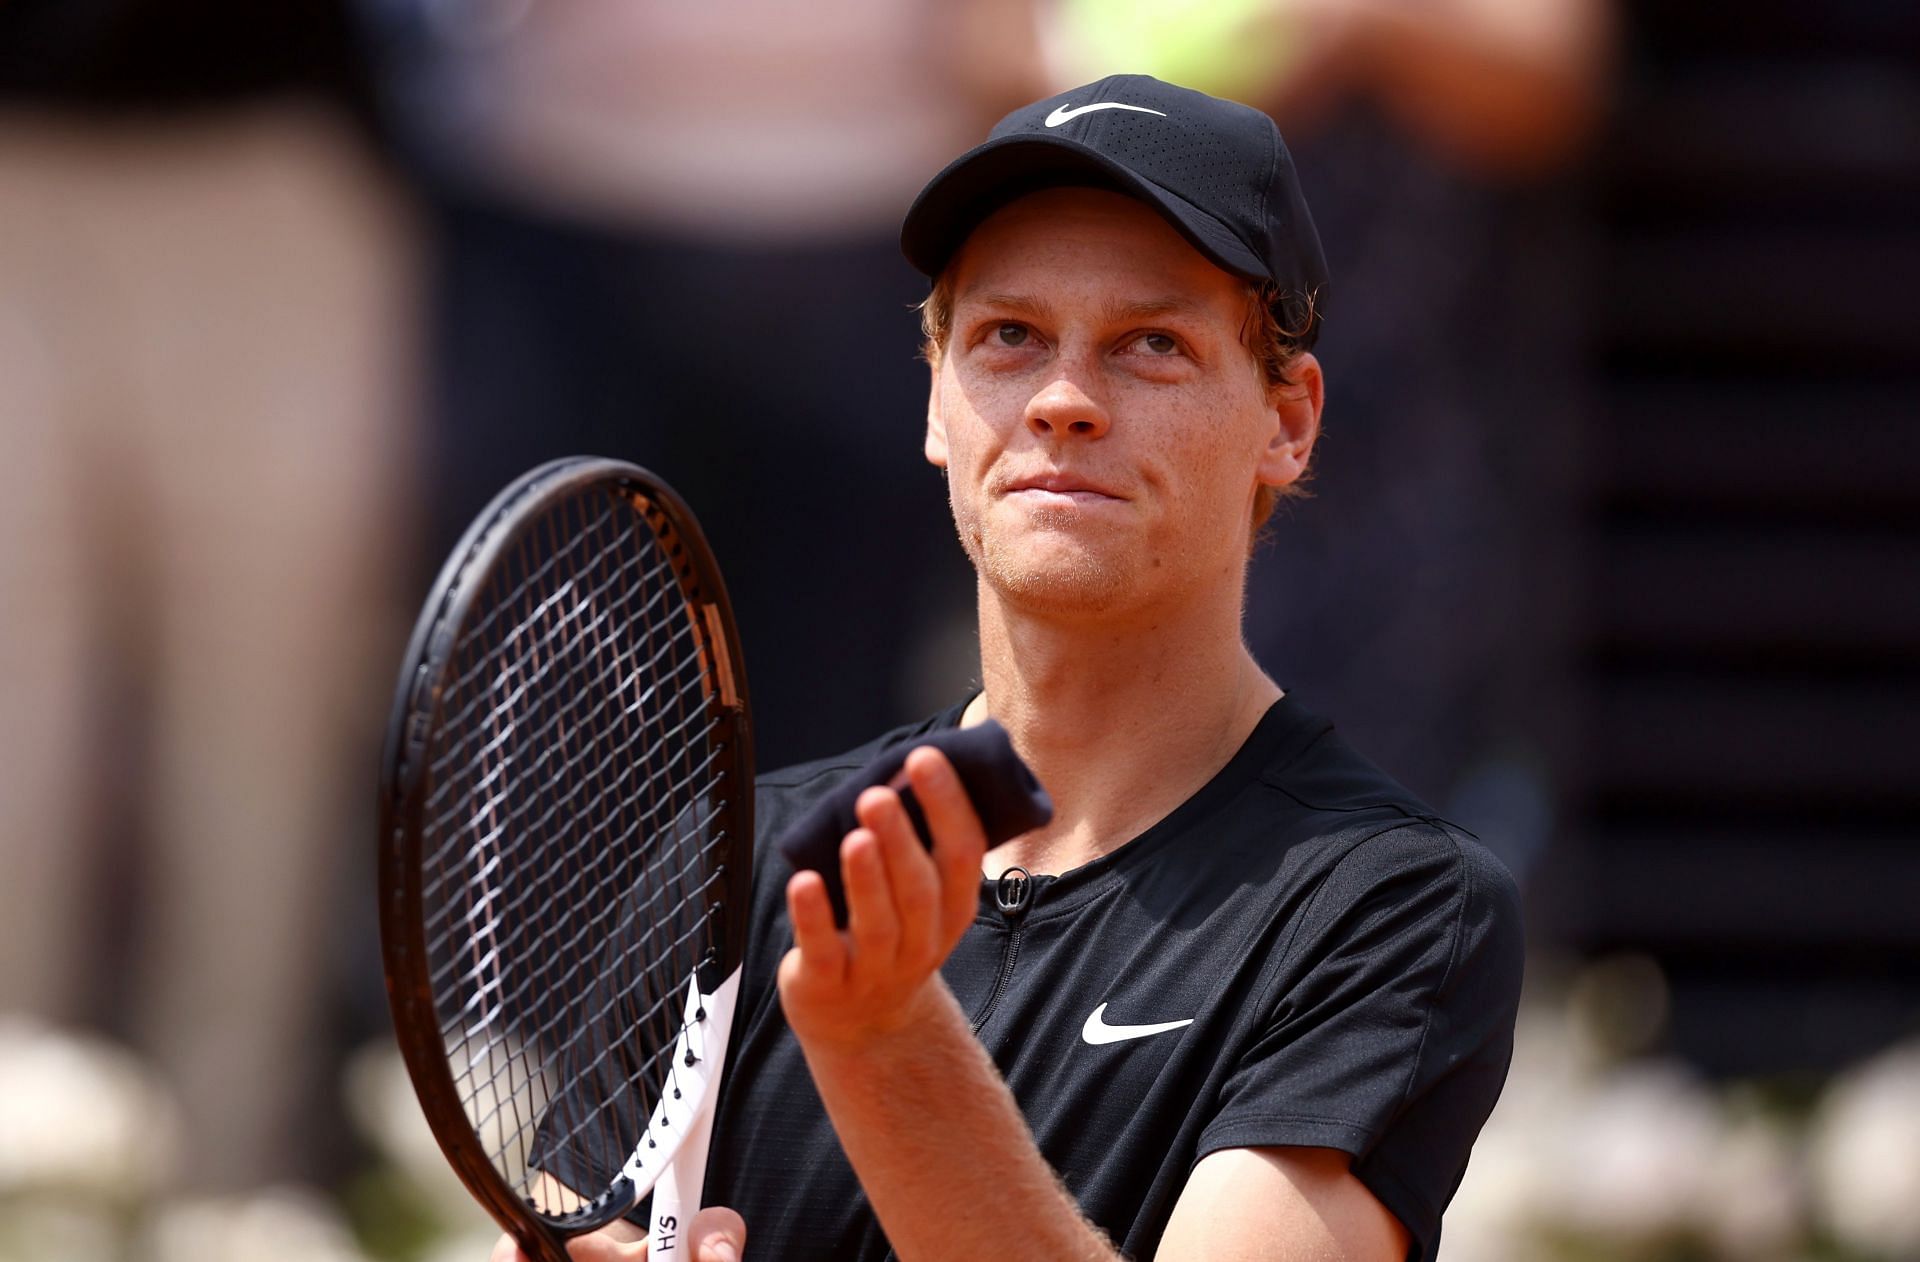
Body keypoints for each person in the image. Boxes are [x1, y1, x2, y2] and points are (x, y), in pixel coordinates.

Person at [493, 74, 1523, 1262]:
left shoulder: (1391, 903)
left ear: (1287, 421)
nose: (1065, 401)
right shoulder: (737, 859)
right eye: (1009, 337)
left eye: (1152, 343)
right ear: (937, 397)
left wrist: (887, 1042)